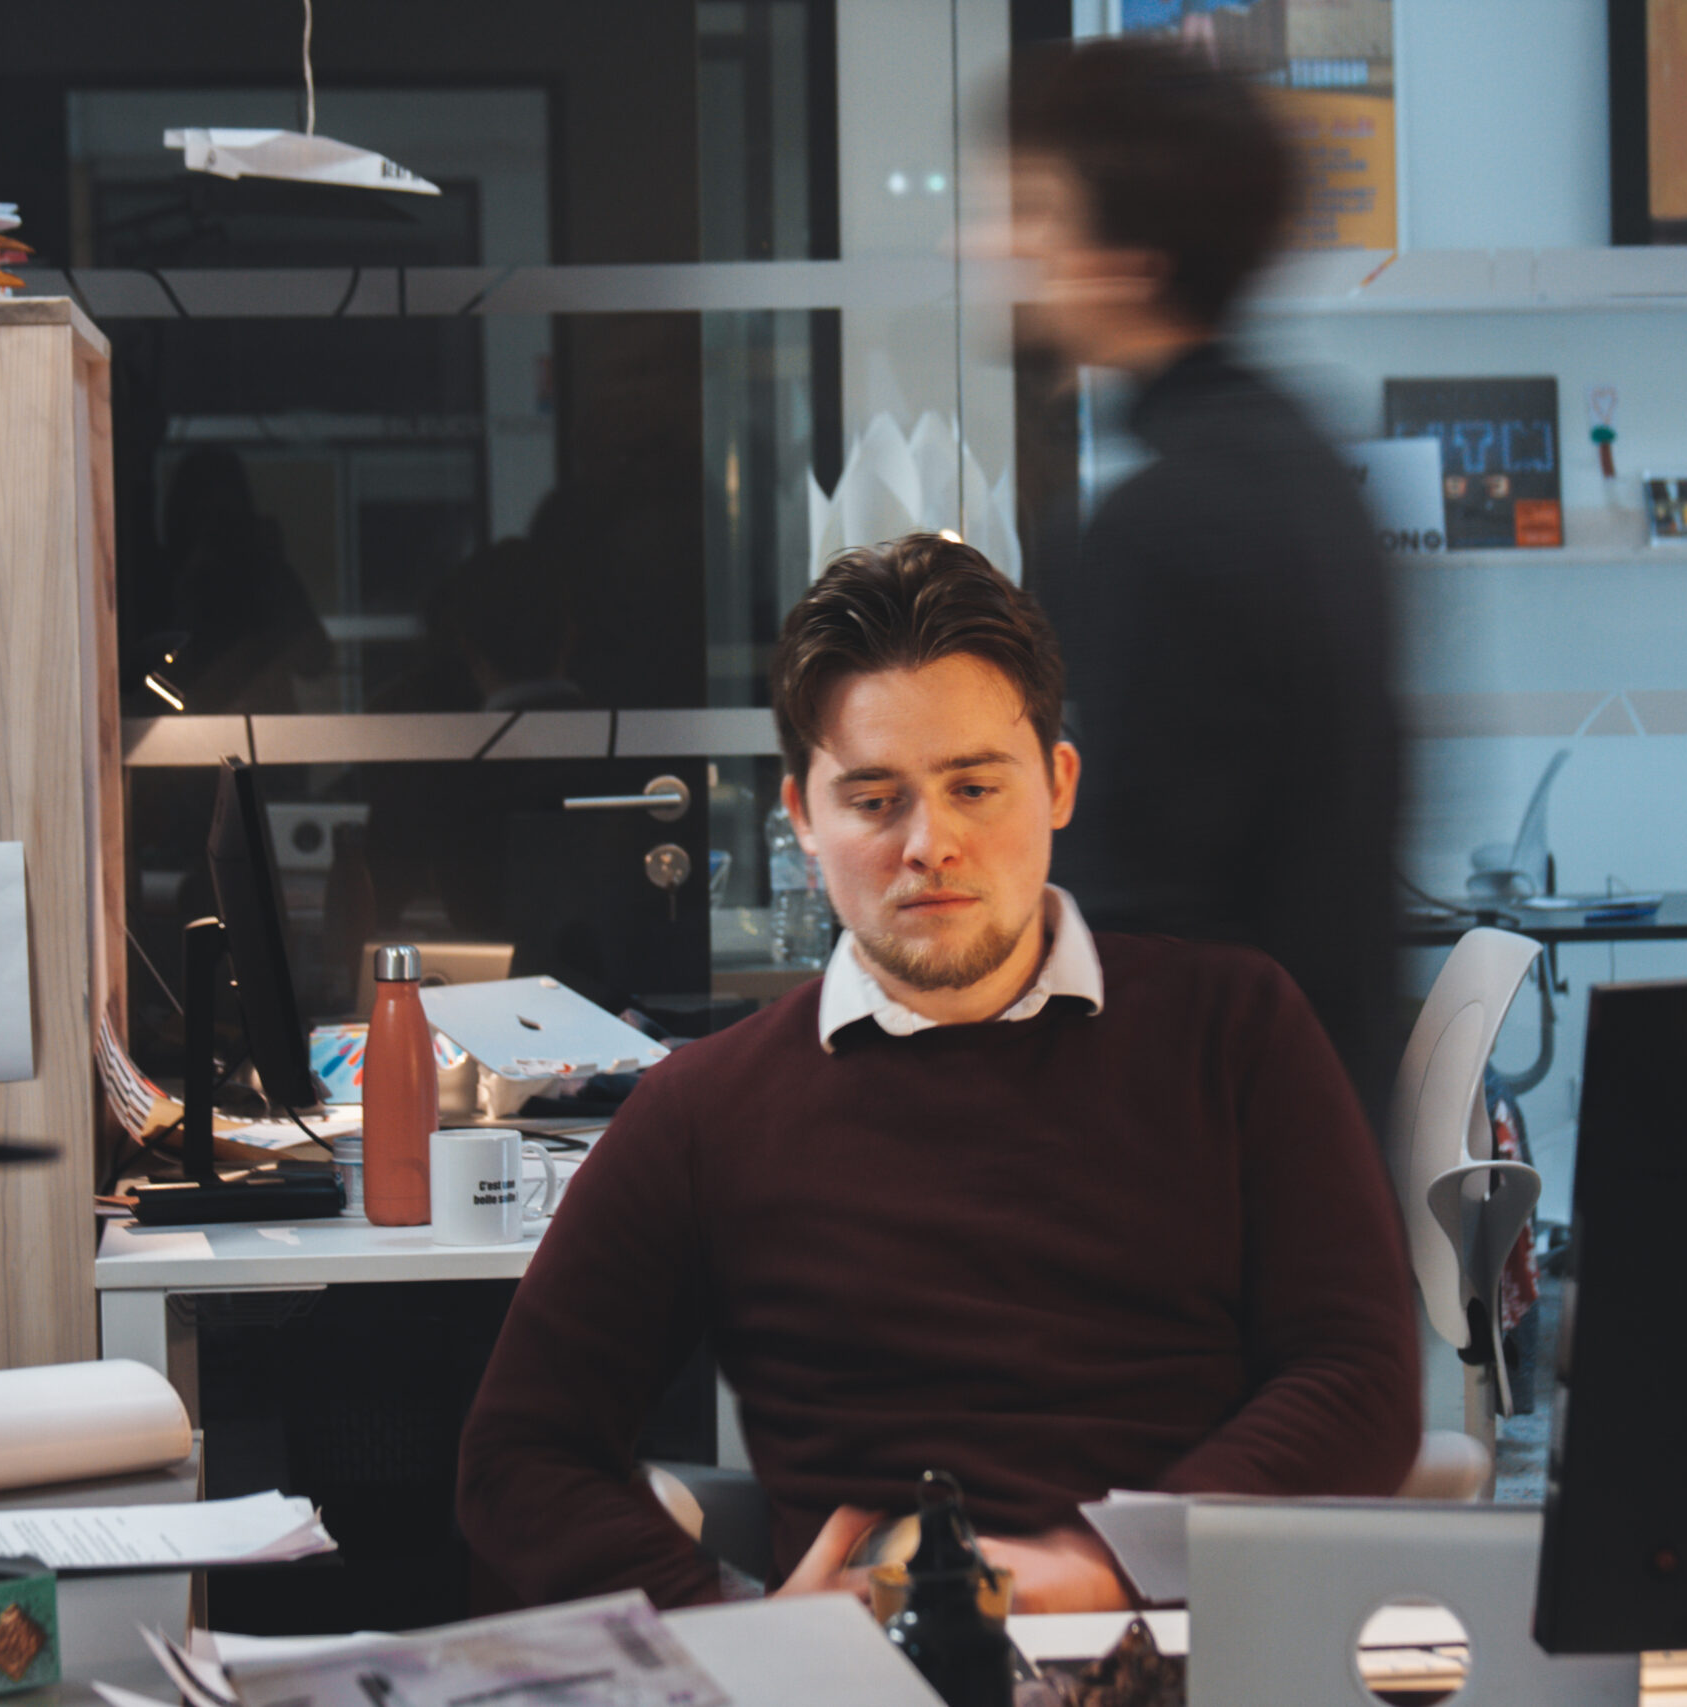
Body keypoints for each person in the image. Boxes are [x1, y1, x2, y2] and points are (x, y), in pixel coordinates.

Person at [457, 533, 1421, 1612]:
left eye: (974, 786)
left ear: (1057, 785)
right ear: (801, 821)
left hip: (1182, 1650)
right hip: (870, 1677)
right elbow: (518, 1461)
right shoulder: (708, 1109)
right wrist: (732, 1621)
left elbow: (1360, 1382)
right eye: (875, 800)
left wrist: (1111, 1568)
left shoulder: (1233, 1030)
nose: (930, 843)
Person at [1010, 40, 1402, 1103]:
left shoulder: (1166, 520)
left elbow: (1135, 919)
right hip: (1310, 1122)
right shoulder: (1304, 466)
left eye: (1036, 213)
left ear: (1128, 257)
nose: (1005, 246)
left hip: (1209, 1163)